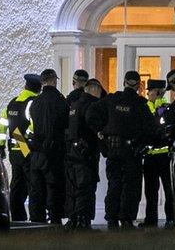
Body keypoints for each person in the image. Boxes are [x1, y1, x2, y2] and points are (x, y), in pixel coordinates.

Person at [86, 70, 156, 230]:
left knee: (114, 184)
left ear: (124, 82)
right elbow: (151, 129)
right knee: (131, 185)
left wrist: (101, 131)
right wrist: (144, 142)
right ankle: (126, 219)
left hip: (113, 149)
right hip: (131, 151)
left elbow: (90, 113)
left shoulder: (112, 99)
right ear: (139, 86)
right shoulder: (140, 104)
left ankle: (111, 219)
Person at [0, 73, 41, 222]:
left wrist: (0, 147)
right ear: (38, 89)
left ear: (25, 86)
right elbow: (34, 125)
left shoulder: (12, 103)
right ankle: (36, 218)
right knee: (33, 184)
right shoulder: (32, 103)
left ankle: (17, 217)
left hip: (13, 151)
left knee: (16, 185)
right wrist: (27, 141)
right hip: (26, 149)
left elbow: (2, 126)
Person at [28, 68, 70, 225]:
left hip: (36, 151)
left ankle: (36, 219)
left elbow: (30, 126)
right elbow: (66, 124)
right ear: (53, 80)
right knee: (54, 186)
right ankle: (54, 218)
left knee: (36, 188)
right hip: (54, 151)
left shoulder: (35, 102)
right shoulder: (60, 101)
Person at [64, 78, 103, 230]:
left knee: (74, 187)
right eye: (99, 91)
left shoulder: (74, 105)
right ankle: (83, 221)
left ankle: (73, 219)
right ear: (94, 90)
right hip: (85, 153)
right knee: (85, 188)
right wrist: (100, 134)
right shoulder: (91, 105)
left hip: (72, 152)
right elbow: (93, 123)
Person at [141, 79, 174, 227]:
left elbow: (165, 126)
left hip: (165, 156)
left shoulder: (166, 109)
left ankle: (170, 218)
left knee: (169, 190)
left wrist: (161, 107)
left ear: (159, 92)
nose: (148, 93)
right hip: (149, 156)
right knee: (151, 192)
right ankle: (150, 220)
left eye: (151, 91)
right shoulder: (145, 107)